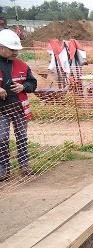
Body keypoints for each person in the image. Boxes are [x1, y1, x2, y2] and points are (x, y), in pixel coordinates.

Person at [0, 29, 37, 180]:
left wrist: (24, 87)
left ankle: (24, 165)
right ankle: (3, 169)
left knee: (21, 136)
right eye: (12, 49)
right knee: (2, 138)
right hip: (1, 110)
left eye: (17, 49)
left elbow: (32, 83)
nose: (16, 52)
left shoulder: (22, 65)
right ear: (1, 47)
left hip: (19, 108)